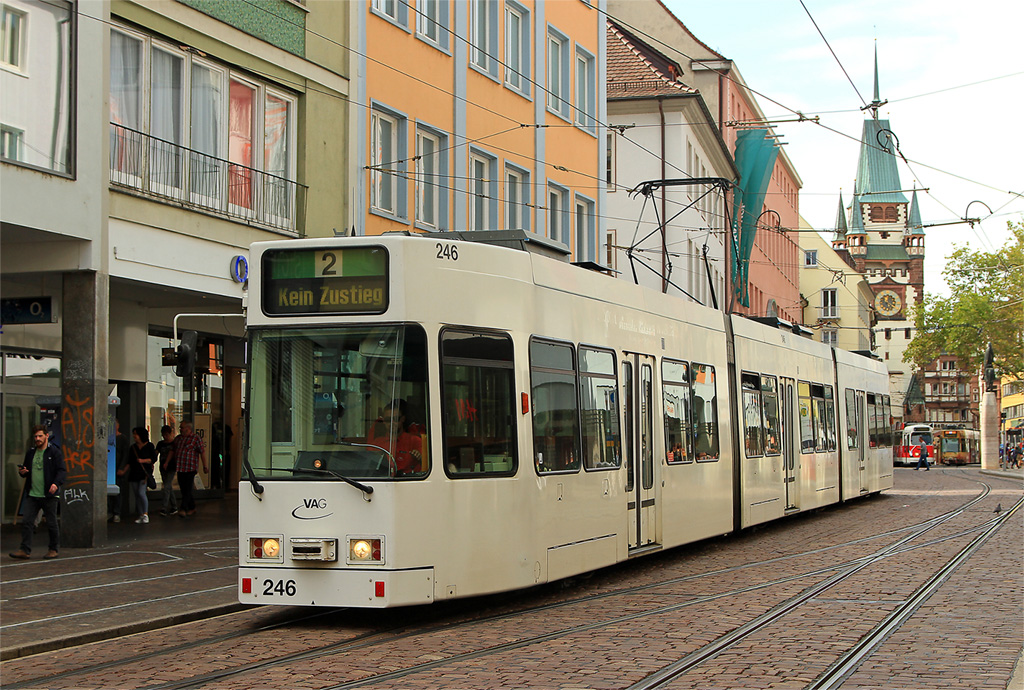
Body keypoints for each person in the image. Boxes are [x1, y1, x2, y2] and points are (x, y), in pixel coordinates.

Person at [9, 425, 67, 560]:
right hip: (33, 494)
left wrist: (55, 484)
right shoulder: (31, 453)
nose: (38, 439)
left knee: (51, 522)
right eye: (35, 436)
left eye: (40, 436)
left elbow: (61, 470)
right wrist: (23, 472)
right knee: (27, 521)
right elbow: (26, 471)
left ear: (47, 436)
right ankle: (24, 550)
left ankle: (53, 549)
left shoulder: (54, 452)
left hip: (49, 495)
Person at [366, 400, 423, 476]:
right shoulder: (376, 444)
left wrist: (418, 456)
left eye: (395, 419)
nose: (392, 423)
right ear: (383, 421)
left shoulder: (415, 441)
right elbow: (367, 467)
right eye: (388, 420)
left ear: (403, 419)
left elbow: (426, 466)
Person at [169, 421, 207, 517]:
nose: (180, 429)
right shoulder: (178, 439)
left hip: (190, 467)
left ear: (188, 428)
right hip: (180, 467)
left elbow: (202, 452)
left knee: (188, 488)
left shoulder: (195, 438)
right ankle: (192, 507)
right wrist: (167, 462)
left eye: (182, 427)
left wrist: (205, 465)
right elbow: (172, 450)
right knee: (183, 488)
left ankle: (183, 508)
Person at [128, 427, 156, 524]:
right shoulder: (133, 447)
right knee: (136, 494)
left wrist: (143, 461)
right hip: (134, 473)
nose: (134, 436)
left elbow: (153, 458)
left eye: (136, 434)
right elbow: (129, 461)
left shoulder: (149, 446)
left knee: (141, 492)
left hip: (144, 474)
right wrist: (123, 470)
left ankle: (145, 513)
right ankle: (140, 515)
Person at [110, 420, 130, 523]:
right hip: (109, 469)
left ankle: (116, 513)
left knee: (117, 492)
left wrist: (122, 468)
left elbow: (125, 455)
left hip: (118, 469)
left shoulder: (123, 439)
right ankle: (110, 511)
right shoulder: (108, 438)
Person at [156, 424, 178, 516]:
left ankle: (164, 507)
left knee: (167, 487)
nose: (165, 437)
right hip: (163, 467)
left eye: (166, 435)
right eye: (163, 435)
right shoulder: (160, 444)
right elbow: (156, 453)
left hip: (171, 467)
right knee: (168, 487)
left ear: (170, 433)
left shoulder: (174, 444)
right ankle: (174, 506)